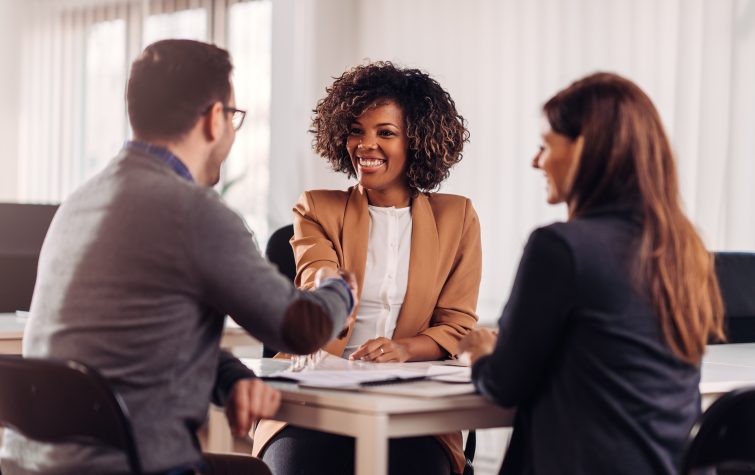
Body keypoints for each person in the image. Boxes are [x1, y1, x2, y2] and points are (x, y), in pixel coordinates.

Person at [0, 39, 356, 475]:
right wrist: (339, 289)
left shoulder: (81, 201)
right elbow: (303, 328)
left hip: (33, 463)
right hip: (132, 464)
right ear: (213, 119)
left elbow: (142, 343)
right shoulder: (194, 212)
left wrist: (231, 380)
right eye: (234, 117)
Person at [458, 72, 725, 475]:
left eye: (545, 146)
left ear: (584, 148)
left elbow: (503, 383)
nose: (536, 161)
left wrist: (478, 351)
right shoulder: (685, 249)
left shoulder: (560, 248)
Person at [253, 62, 482, 475]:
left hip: (411, 408)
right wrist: (330, 289)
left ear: (418, 140)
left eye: (385, 133)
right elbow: (316, 276)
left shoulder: (457, 218)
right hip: (314, 400)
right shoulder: (317, 208)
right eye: (356, 130)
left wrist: (405, 349)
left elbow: (457, 325)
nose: (365, 144)